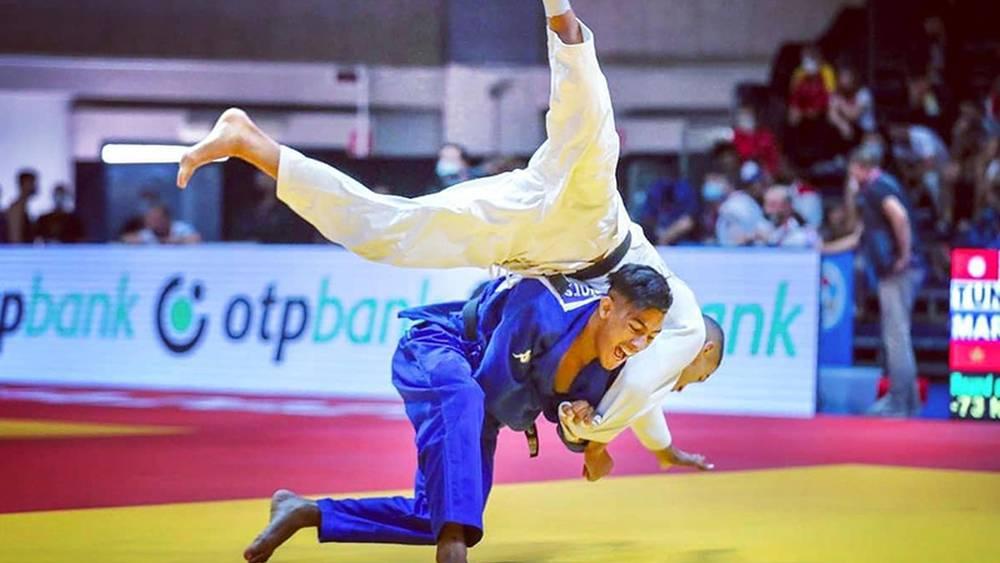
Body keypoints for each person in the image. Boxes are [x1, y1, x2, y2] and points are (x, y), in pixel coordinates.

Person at [177, 1, 720, 471]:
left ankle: (250, 143)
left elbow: (642, 392)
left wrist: (656, 448)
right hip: (591, 227)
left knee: (386, 233)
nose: (686, 384)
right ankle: (561, 13)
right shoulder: (685, 326)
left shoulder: (645, 349)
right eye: (696, 376)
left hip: (524, 244)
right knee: (590, 125)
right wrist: (594, 435)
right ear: (704, 349)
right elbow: (647, 385)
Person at [240, 265, 691, 563]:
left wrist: (583, 433)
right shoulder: (542, 305)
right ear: (606, 307)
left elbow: (579, 432)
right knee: (463, 422)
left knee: (438, 513)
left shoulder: (614, 370)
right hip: (440, 348)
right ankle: (452, 543)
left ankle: (305, 511)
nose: (638, 344)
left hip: (477, 399)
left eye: (650, 338)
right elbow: (495, 391)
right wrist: (560, 418)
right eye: (635, 328)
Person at [826, 144, 926, 417]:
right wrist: (825, 250)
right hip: (900, 270)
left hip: (898, 271)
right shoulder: (878, 188)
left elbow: (900, 216)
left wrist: (904, 255)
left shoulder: (876, 188)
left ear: (859, 167)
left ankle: (897, 402)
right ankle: (909, 403)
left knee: (896, 338)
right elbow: (859, 236)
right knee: (898, 336)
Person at [636, 176, 697, 245]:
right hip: (656, 240)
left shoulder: (684, 192)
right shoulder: (655, 193)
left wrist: (666, 237)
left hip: (682, 244)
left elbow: (687, 223)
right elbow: (647, 219)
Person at [732, 105, 780, 175]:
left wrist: (770, 171)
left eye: (748, 116)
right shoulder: (735, 137)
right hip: (742, 173)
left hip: (765, 173)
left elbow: (773, 156)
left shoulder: (765, 136)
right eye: (742, 117)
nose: (745, 119)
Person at [122, 203, 201, 244]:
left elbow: (196, 239)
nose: (154, 222)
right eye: (150, 219)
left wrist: (178, 241)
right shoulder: (148, 233)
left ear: (166, 219)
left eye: (157, 219)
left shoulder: (179, 228)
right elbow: (126, 239)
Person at [6, 169, 37, 244]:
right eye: (32, 183)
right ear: (24, 184)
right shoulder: (16, 209)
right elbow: (15, 238)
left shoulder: (26, 207)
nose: (35, 186)